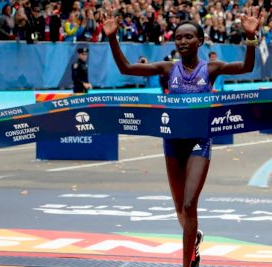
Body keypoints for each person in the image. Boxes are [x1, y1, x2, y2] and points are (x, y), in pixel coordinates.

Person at [104, 8, 262, 267]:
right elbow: (126, 68)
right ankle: (194, 238)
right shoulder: (167, 69)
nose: (182, 42)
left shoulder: (210, 69)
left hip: (200, 141)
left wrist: (250, 37)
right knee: (180, 209)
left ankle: (186, 263)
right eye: (178, 37)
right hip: (172, 142)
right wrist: (111, 37)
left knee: (190, 204)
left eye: (188, 37)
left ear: (199, 41)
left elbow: (246, 66)